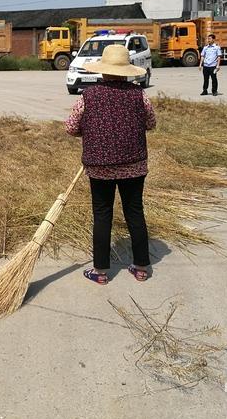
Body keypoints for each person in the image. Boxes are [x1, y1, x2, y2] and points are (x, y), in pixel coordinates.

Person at [64, 44, 157, 284]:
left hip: (100, 166)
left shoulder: (89, 96)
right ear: (126, 71)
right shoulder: (139, 95)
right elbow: (151, 123)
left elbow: (71, 126)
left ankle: (101, 272)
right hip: (133, 164)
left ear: (103, 70)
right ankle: (141, 267)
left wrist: (87, 132)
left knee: (102, 214)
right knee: (134, 212)